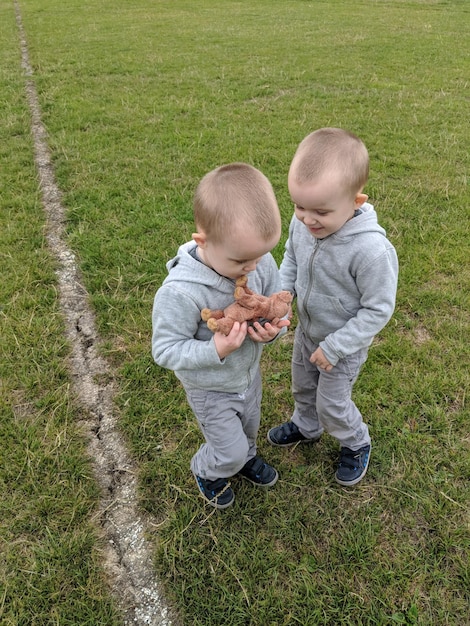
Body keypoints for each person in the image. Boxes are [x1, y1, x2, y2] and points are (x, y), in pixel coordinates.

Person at [152, 163, 289, 508]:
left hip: (247, 377)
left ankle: (245, 458)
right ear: (203, 242)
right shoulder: (181, 293)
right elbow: (165, 350)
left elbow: (273, 303)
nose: (254, 268)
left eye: (260, 255)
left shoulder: (257, 258)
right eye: (242, 261)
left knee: (248, 430)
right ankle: (208, 469)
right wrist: (216, 348)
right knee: (227, 448)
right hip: (210, 388)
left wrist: (270, 330)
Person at [268, 128, 398, 486]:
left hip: (343, 346)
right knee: (302, 387)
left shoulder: (371, 252)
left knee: (332, 403)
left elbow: (378, 310)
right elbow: (291, 258)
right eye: (299, 206)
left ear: (356, 202)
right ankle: (306, 426)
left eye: (320, 211)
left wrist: (336, 347)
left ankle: (356, 442)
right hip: (308, 332)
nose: (307, 219)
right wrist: (283, 294)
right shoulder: (303, 223)